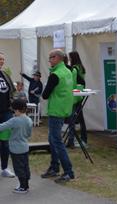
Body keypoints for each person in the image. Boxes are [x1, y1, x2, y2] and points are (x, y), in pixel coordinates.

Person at [41, 49, 75, 183]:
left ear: (59, 58)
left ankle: (68, 172)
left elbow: (45, 95)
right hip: (65, 109)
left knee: (57, 142)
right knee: (52, 139)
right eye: (49, 57)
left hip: (56, 110)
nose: (49, 60)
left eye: (51, 57)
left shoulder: (55, 74)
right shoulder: (68, 71)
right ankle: (54, 167)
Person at [0, 99, 33, 193]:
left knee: (18, 168)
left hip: (16, 149)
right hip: (25, 147)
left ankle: (23, 187)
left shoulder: (14, 120)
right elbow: (29, 134)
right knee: (25, 166)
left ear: (17, 110)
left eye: (13, 110)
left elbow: (2, 127)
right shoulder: (29, 120)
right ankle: (25, 184)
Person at [66, 51, 88, 148]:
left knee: (74, 118)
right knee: (79, 118)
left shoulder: (75, 68)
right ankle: (81, 139)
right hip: (80, 93)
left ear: (73, 58)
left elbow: (73, 82)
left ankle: (76, 139)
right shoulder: (81, 67)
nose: (69, 59)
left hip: (75, 95)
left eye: (70, 57)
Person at [0, 52, 16, 178]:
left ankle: (4, 168)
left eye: (3, 59)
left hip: (6, 112)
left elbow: (12, 91)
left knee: (5, 141)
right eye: (0, 59)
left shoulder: (5, 74)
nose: (2, 61)